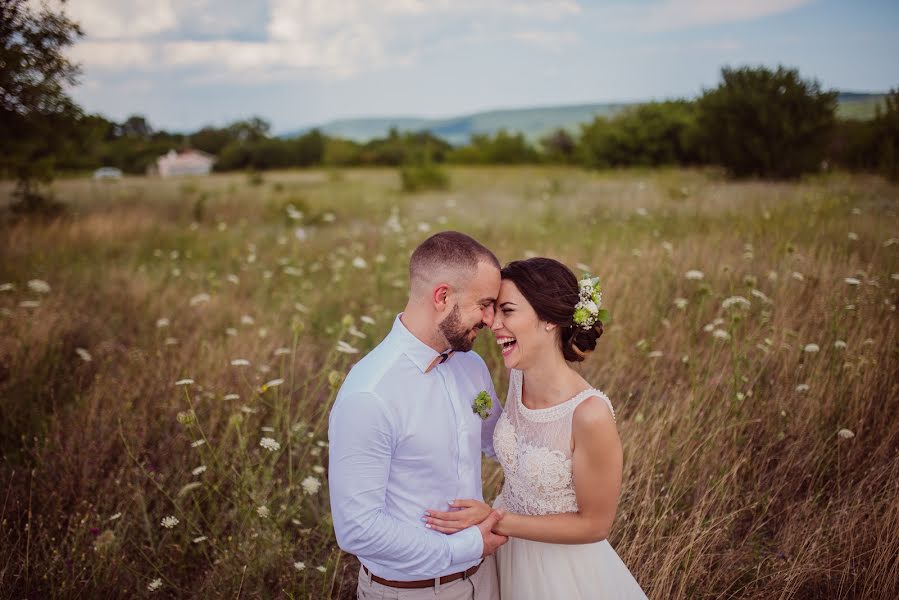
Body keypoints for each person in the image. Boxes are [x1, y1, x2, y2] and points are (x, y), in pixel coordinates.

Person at [423, 257, 647, 599]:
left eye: (507, 311)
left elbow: (595, 525)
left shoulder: (590, 414)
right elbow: (495, 431)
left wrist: (495, 520)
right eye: (494, 310)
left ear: (549, 320)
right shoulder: (517, 379)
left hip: (559, 571)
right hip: (507, 555)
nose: (492, 322)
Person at [328, 231, 507, 599]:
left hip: (486, 579)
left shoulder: (472, 367)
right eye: (484, 304)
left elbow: (499, 442)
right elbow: (357, 528)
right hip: (411, 591)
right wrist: (465, 547)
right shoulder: (370, 394)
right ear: (442, 297)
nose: (491, 319)